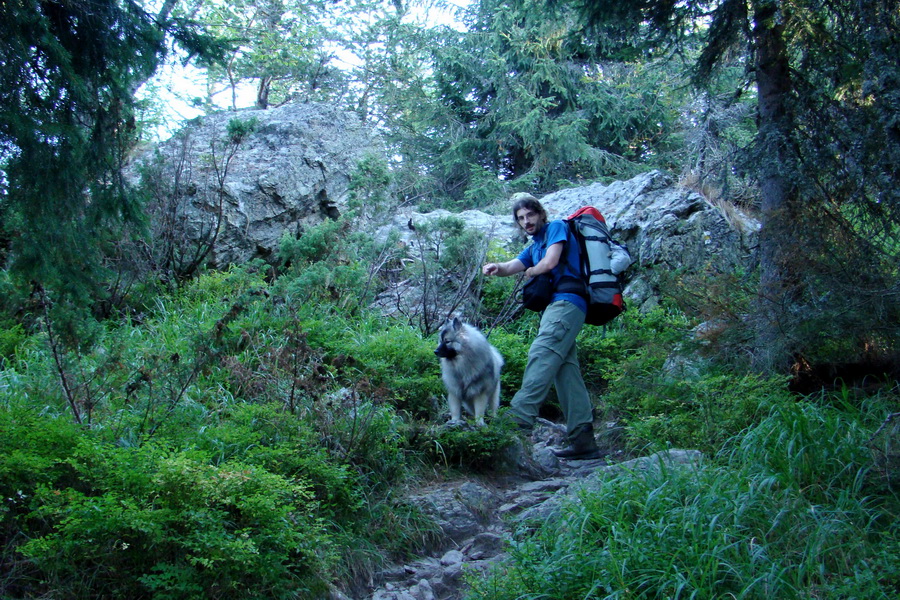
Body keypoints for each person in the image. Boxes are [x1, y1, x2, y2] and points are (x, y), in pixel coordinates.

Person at [482, 193, 602, 460]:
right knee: (565, 371)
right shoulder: (534, 244)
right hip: (559, 306)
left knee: (542, 353)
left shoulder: (556, 227)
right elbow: (512, 265)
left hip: (567, 302)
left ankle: (518, 420)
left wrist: (533, 271)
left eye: (530, 215)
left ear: (540, 214)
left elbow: (550, 262)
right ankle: (583, 440)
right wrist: (495, 267)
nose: (526, 221)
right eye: (521, 218)